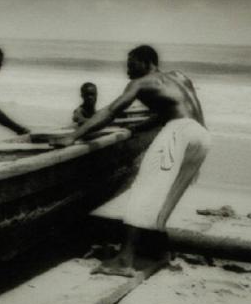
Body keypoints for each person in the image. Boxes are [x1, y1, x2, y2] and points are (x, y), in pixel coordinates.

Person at [52, 45, 211, 277]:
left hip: (180, 132)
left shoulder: (141, 83)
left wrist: (73, 136)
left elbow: (111, 110)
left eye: (131, 64)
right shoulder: (179, 77)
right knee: (168, 194)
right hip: (202, 135)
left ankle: (124, 259)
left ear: (146, 62)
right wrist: (137, 128)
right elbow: (171, 113)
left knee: (143, 189)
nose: (127, 70)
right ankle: (158, 250)